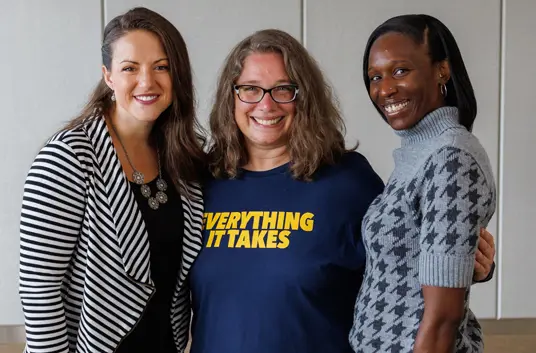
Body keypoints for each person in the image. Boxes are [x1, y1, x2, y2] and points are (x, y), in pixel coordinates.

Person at [189, 28, 495, 353]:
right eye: (250, 89)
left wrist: (473, 265)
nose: (266, 104)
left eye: (283, 89)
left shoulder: (348, 182)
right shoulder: (202, 184)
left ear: (304, 97)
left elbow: (407, 264)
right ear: (231, 96)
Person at [18, 7, 205, 353]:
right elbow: (38, 289)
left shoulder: (183, 157)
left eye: (161, 67)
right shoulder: (69, 157)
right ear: (108, 77)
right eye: (130, 68)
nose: (147, 82)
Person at [349, 14, 496, 353]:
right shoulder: (419, 151)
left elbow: (443, 318)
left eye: (400, 70)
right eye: (375, 77)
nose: (384, 89)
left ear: (442, 70)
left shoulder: (451, 157)